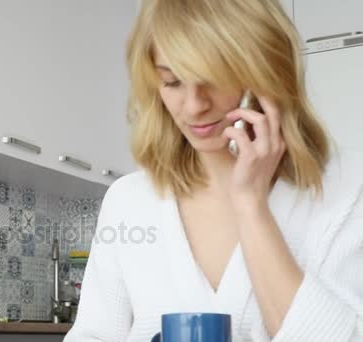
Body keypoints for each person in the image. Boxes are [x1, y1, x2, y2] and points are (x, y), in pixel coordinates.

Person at [64, 0, 363, 341]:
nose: (193, 106)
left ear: (266, 70)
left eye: (215, 78)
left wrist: (251, 207)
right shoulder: (129, 200)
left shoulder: (348, 185)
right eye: (172, 81)